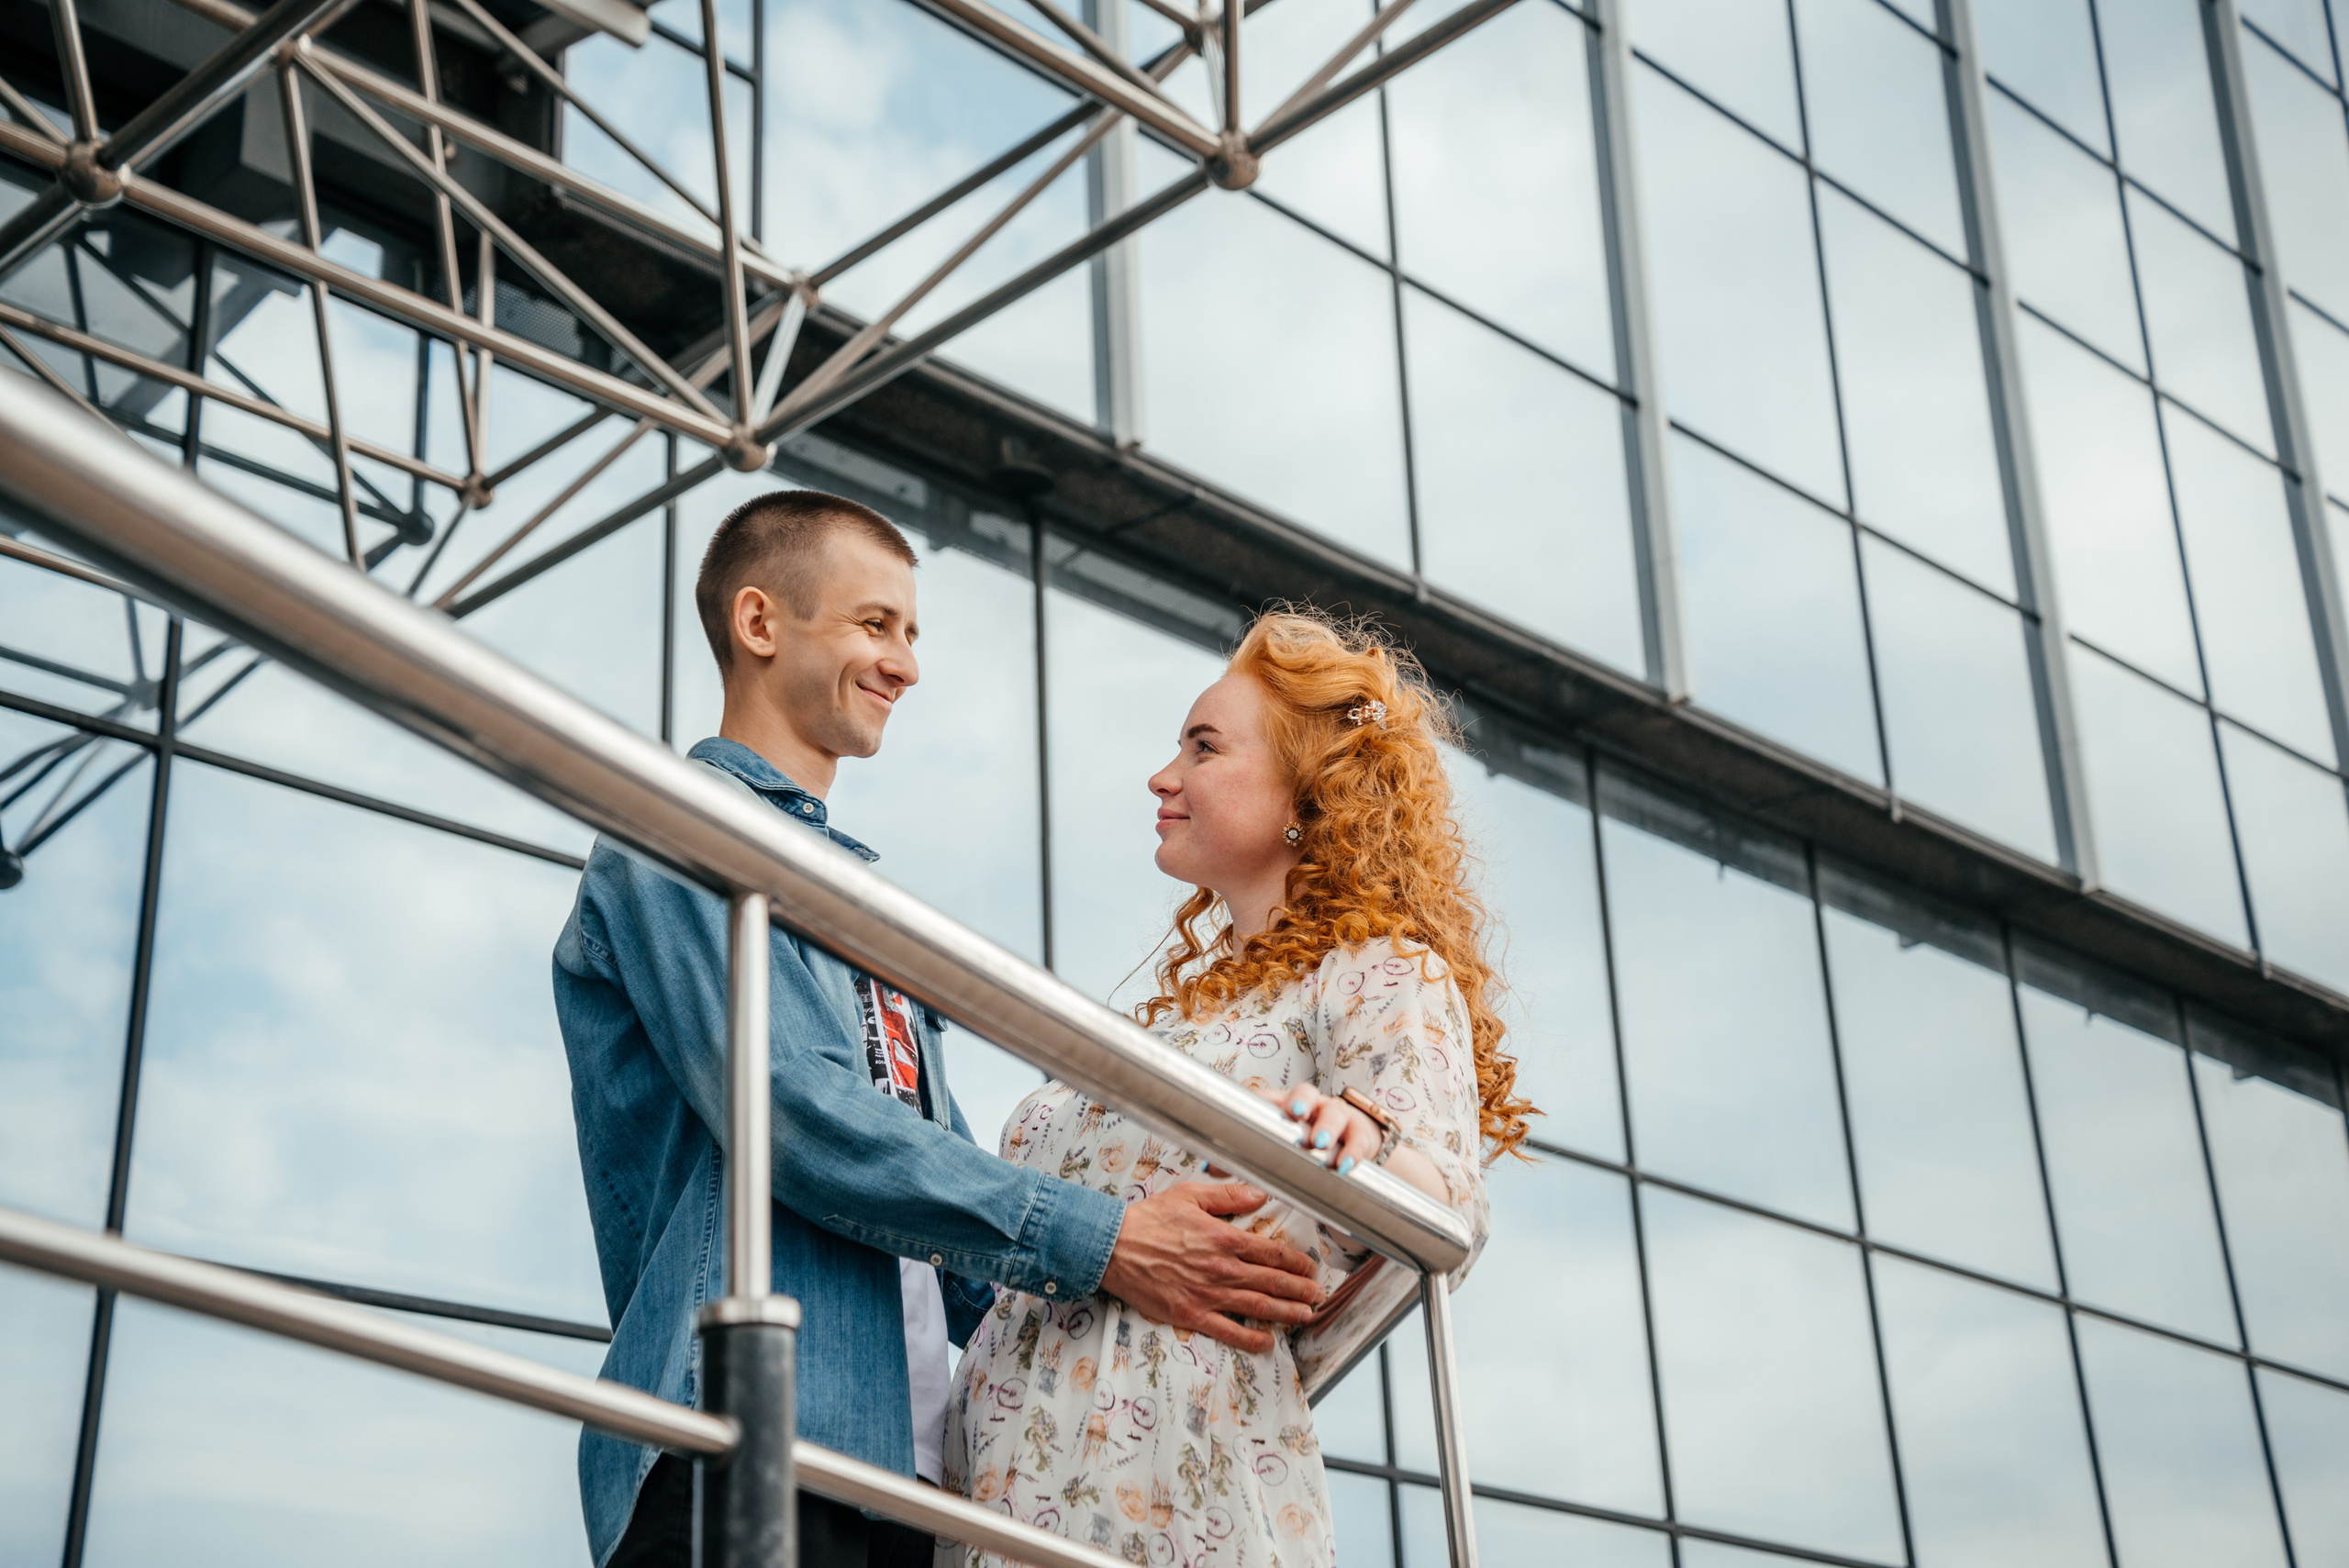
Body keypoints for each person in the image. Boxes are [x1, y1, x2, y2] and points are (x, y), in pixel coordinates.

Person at [551, 491, 1326, 1568]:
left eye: (911, 633)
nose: (906, 664)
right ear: (760, 623)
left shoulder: (865, 913)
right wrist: (1110, 1238)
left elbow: (953, 1222)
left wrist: (1173, 1288)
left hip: (906, 1487)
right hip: (749, 1445)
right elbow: (800, 1114)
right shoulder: (673, 835)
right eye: (876, 624)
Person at [941, 608, 1536, 1568]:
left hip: (1171, 1474)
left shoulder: (1379, 970)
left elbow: (1449, 1216)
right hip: (1009, 1471)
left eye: (1202, 746)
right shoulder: (1180, 1015)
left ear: (1310, 788)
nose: (1162, 775)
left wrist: (1369, 1148)